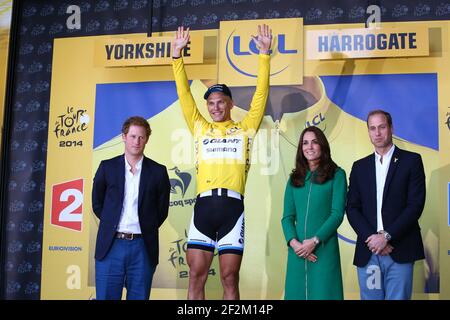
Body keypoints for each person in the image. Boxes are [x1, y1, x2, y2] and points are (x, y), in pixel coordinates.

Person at [171, 24, 272, 300]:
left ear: (229, 104)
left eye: (221, 102)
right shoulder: (200, 127)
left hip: (232, 209)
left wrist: (264, 54)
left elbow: (260, 96)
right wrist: (176, 59)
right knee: (196, 277)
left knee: (230, 278)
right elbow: (184, 96)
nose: (215, 107)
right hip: (203, 207)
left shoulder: (246, 127)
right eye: (211, 103)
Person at [346, 109, 426, 300]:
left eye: (382, 127)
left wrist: (387, 237)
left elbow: (415, 205)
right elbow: (352, 208)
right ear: (368, 132)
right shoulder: (359, 167)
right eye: (372, 128)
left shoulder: (412, 161)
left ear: (391, 128)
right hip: (369, 251)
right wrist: (373, 239)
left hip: (400, 248)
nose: (377, 133)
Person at [92, 116, 170, 300]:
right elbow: (97, 203)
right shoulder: (107, 167)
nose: (137, 141)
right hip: (111, 245)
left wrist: (145, 227)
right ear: (124, 137)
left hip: (143, 246)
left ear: (147, 139)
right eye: (133, 136)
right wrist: (110, 223)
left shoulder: (158, 172)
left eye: (141, 137)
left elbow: (162, 210)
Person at [281, 126, 347, 300]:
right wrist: (295, 244)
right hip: (298, 253)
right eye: (305, 143)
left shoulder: (337, 175)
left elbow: (337, 214)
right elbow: (287, 217)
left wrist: (315, 240)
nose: (309, 147)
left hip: (323, 251)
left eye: (314, 142)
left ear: (322, 146)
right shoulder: (294, 178)